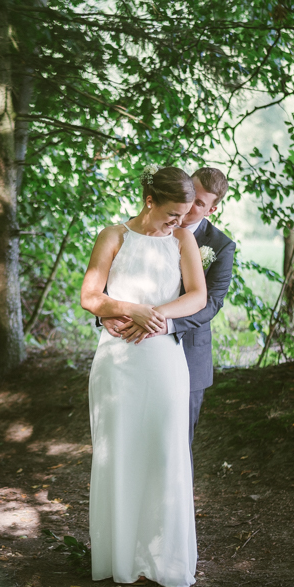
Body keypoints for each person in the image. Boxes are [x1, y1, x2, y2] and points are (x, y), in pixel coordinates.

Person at [80, 166, 208, 587]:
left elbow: (197, 296)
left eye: (185, 214)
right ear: (150, 201)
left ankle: (162, 559)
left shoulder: (183, 240)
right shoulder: (113, 236)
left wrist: (154, 316)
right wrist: (125, 309)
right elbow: (90, 297)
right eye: (173, 213)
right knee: (119, 453)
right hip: (118, 364)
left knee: (165, 451)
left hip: (164, 360)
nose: (180, 222)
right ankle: (120, 559)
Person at [104, 167, 236, 457]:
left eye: (199, 204)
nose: (189, 208)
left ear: (212, 209)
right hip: (128, 346)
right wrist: (105, 314)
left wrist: (163, 324)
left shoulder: (220, 245)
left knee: (174, 447)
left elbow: (211, 302)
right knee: (127, 438)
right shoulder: (134, 230)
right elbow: (111, 279)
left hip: (185, 352)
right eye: (191, 194)